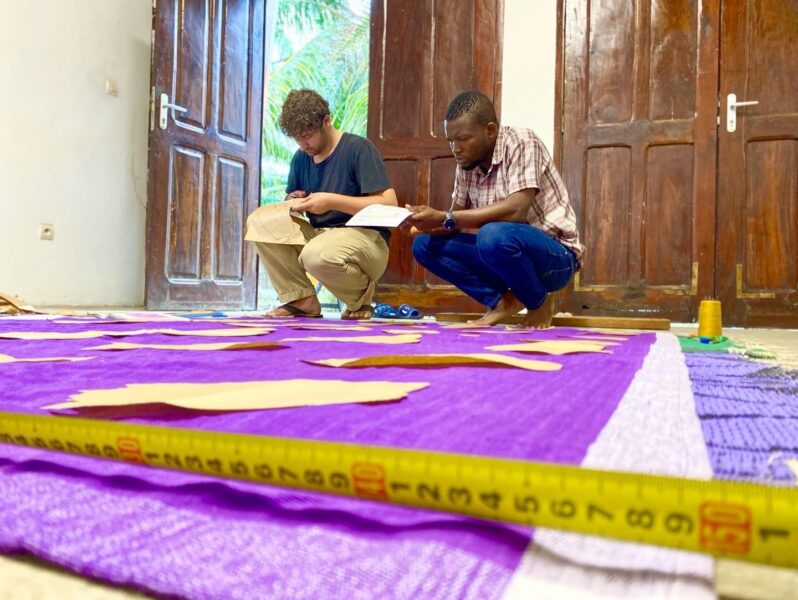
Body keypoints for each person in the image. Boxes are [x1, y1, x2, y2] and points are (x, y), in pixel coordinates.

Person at [405, 90, 584, 328]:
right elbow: (453, 222)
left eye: (463, 139)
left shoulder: (522, 142)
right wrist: (423, 224)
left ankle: (538, 303)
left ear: (489, 130)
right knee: (424, 245)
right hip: (504, 253)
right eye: (451, 141)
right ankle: (502, 302)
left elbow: (516, 210)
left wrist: (446, 217)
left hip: (555, 258)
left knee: (492, 235)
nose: (455, 148)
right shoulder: (466, 163)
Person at [247, 89, 397, 320]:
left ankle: (360, 300)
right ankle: (301, 299)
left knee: (315, 255)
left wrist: (330, 201)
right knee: (259, 222)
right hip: (319, 237)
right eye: (296, 138)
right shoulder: (301, 157)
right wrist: (293, 201)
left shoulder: (358, 148)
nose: (302, 144)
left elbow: (389, 205)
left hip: (366, 240)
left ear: (326, 121)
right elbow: (293, 202)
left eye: (307, 135)